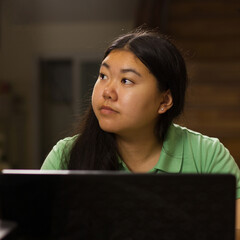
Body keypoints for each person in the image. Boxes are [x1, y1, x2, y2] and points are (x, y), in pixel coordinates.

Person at [40, 28, 240, 228]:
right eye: (103, 76)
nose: (107, 91)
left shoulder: (208, 156)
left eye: (126, 80)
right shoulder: (66, 155)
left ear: (165, 100)